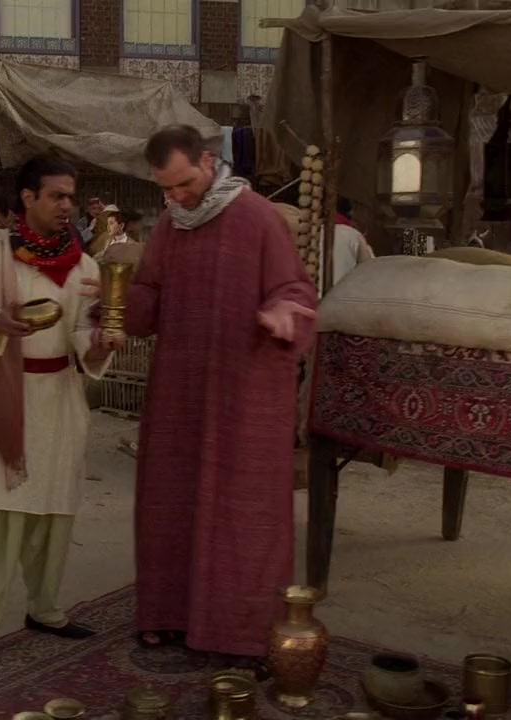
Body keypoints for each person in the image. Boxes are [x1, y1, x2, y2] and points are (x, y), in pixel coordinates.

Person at [125, 125, 317, 672]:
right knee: (170, 500)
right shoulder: (171, 224)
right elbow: (150, 293)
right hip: (181, 390)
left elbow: (295, 289)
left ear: (209, 162)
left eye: (184, 183)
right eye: (167, 189)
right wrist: (115, 301)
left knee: (244, 510)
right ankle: (169, 613)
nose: (177, 196)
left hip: (244, 391)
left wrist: (283, 313)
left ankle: (243, 632)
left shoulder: (257, 217)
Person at [0, 154, 121, 670]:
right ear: (28, 197)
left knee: (53, 518)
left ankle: (44, 609)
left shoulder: (84, 266)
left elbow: (84, 334)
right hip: (4, 401)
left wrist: (101, 343)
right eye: (57, 196)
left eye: (71, 196)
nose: (68, 205)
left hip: (61, 401)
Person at [326, 197, 374, 286]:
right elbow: (369, 269)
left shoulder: (314, 232)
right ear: (350, 213)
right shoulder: (354, 235)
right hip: (344, 291)